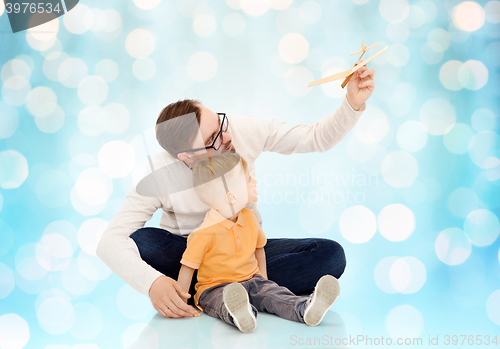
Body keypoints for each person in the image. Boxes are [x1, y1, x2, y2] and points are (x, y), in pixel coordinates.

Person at [96, 61, 375, 319]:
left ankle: (220, 291)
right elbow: (110, 241)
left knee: (330, 255)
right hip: (190, 254)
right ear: (185, 157)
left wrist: (351, 103)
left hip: (242, 252)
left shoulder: (239, 131)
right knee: (143, 241)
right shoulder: (158, 173)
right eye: (212, 139)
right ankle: (237, 290)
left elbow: (314, 138)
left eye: (220, 123)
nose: (227, 137)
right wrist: (152, 284)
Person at [178, 152, 340, 333]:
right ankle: (241, 313)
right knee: (221, 301)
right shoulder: (203, 233)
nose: (254, 182)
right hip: (214, 288)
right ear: (231, 197)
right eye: (247, 179)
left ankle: (305, 308)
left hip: (252, 279)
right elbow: (187, 269)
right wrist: (182, 303)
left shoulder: (250, 217)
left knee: (275, 294)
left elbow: (259, 249)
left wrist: (263, 279)